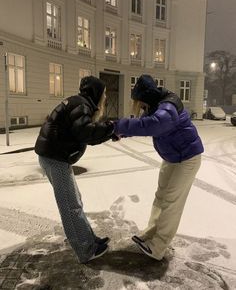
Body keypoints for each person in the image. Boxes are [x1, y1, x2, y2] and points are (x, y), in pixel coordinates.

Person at [113, 74, 204, 261]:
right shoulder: (156, 104)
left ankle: (159, 246)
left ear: (144, 97)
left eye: (139, 102)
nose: (139, 107)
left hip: (187, 158)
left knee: (171, 201)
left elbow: (153, 125)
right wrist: (122, 132)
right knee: (161, 196)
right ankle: (151, 232)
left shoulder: (168, 106)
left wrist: (119, 125)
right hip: (172, 157)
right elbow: (145, 123)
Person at [35, 76, 115, 263]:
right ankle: (86, 250)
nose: (105, 98)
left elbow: (87, 133)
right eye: (103, 94)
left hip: (54, 156)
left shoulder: (79, 102)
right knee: (70, 207)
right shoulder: (81, 105)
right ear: (96, 93)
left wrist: (109, 133)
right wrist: (110, 129)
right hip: (55, 158)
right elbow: (86, 132)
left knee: (75, 201)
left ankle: (88, 239)